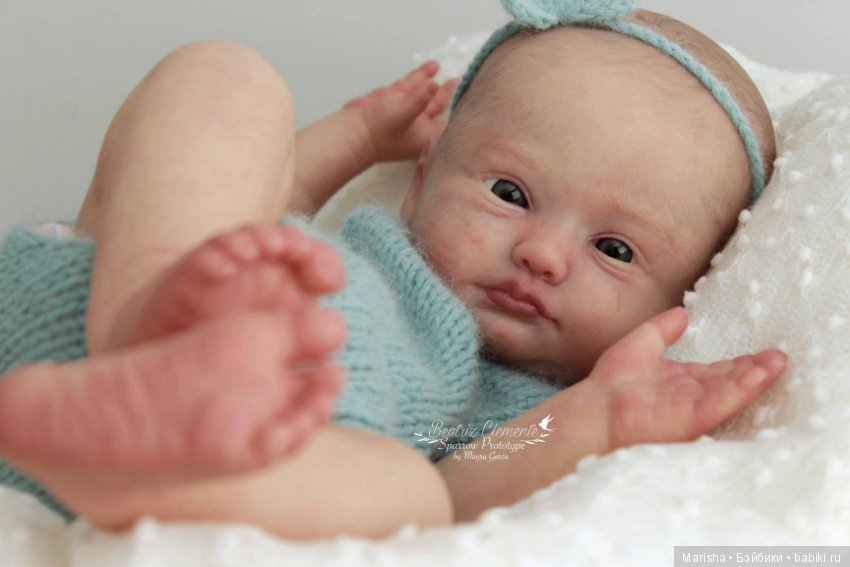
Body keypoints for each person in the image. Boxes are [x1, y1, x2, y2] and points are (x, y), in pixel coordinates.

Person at [0, 4, 787, 540]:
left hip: (249, 448)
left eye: (615, 250)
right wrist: (350, 138)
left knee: (420, 494)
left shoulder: (514, 407)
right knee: (228, 79)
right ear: (420, 183)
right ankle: (151, 322)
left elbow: (469, 482)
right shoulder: (341, 248)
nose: (542, 254)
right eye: (509, 194)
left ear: (684, 291)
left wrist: (597, 419)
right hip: (119, 285)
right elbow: (267, 193)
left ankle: (142, 461)